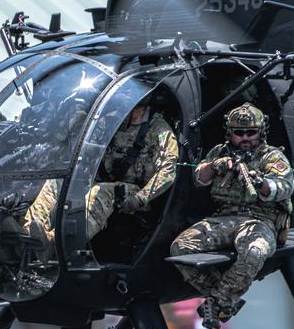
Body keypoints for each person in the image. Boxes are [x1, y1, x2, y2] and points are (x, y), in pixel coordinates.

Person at [171, 103, 294, 329]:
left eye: (251, 133)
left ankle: (217, 303)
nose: (245, 138)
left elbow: (284, 186)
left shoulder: (271, 157)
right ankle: (226, 301)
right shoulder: (219, 152)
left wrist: (261, 183)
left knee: (254, 251)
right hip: (223, 219)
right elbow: (199, 177)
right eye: (239, 133)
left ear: (261, 132)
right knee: (180, 248)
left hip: (260, 220)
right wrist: (215, 166)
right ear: (230, 133)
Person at [23, 102, 178, 244]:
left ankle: (56, 243)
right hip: (103, 179)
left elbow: (168, 170)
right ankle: (29, 232)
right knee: (59, 181)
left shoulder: (158, 129)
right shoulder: (114, 120)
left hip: (136, 194)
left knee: (100, 192)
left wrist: (139, 198)